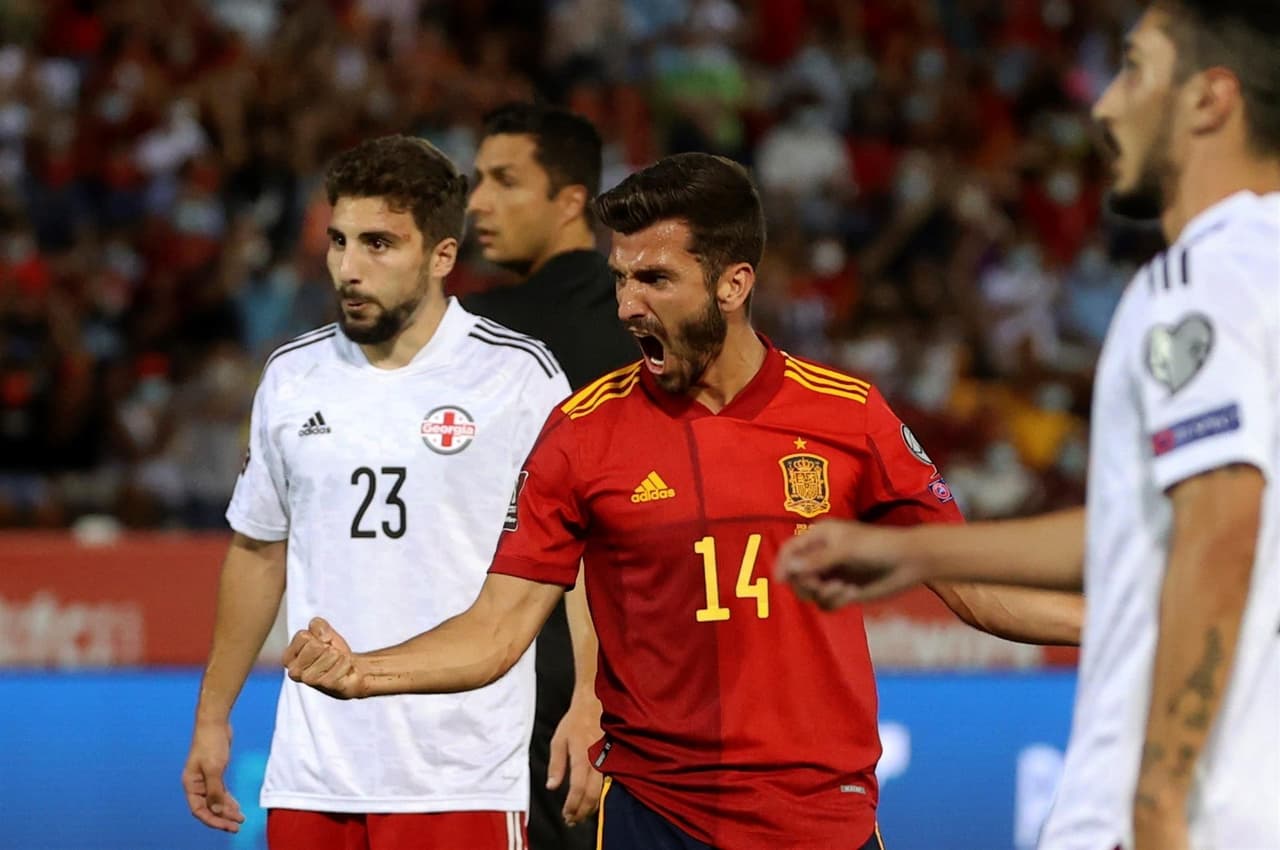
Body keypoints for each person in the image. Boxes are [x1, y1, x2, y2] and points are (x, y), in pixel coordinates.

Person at [281, 152, 1083, 849]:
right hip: (653, 819)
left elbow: (975, 591)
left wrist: (1128, 629)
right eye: (621, 279)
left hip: (822, 824)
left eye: (656, 279)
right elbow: (495, 629)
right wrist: (364, 672)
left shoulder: (847, 415)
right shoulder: (580, 434)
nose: (629, 305)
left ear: (734, 283)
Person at [777, 4, 1280, 850]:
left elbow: (1220, 526)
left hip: (1182, 805)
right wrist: (917, 553)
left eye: (1135, 69)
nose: (1104, 105)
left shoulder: (1197, 282)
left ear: (1210, 99)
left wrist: (1157, 802)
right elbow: (1151, 527)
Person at [181, 134, 572, 849]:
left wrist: (590, 706)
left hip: (459, 773)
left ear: (442, 256)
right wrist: (214, 715)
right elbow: (256, 550)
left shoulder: (518, 379)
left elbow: (572, 562)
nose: (348, 269)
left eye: (378, 245)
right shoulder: (293, 377)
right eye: (338, 241)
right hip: (314, 771)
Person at [463, 102, 637, 848]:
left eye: (504, 180)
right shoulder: (640, 323)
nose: (476, 202)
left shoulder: (470, 333)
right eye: (476, 180)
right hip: (591, 677)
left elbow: (610, 521)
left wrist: (588, 694)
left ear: (572, 202)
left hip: (547, 687)